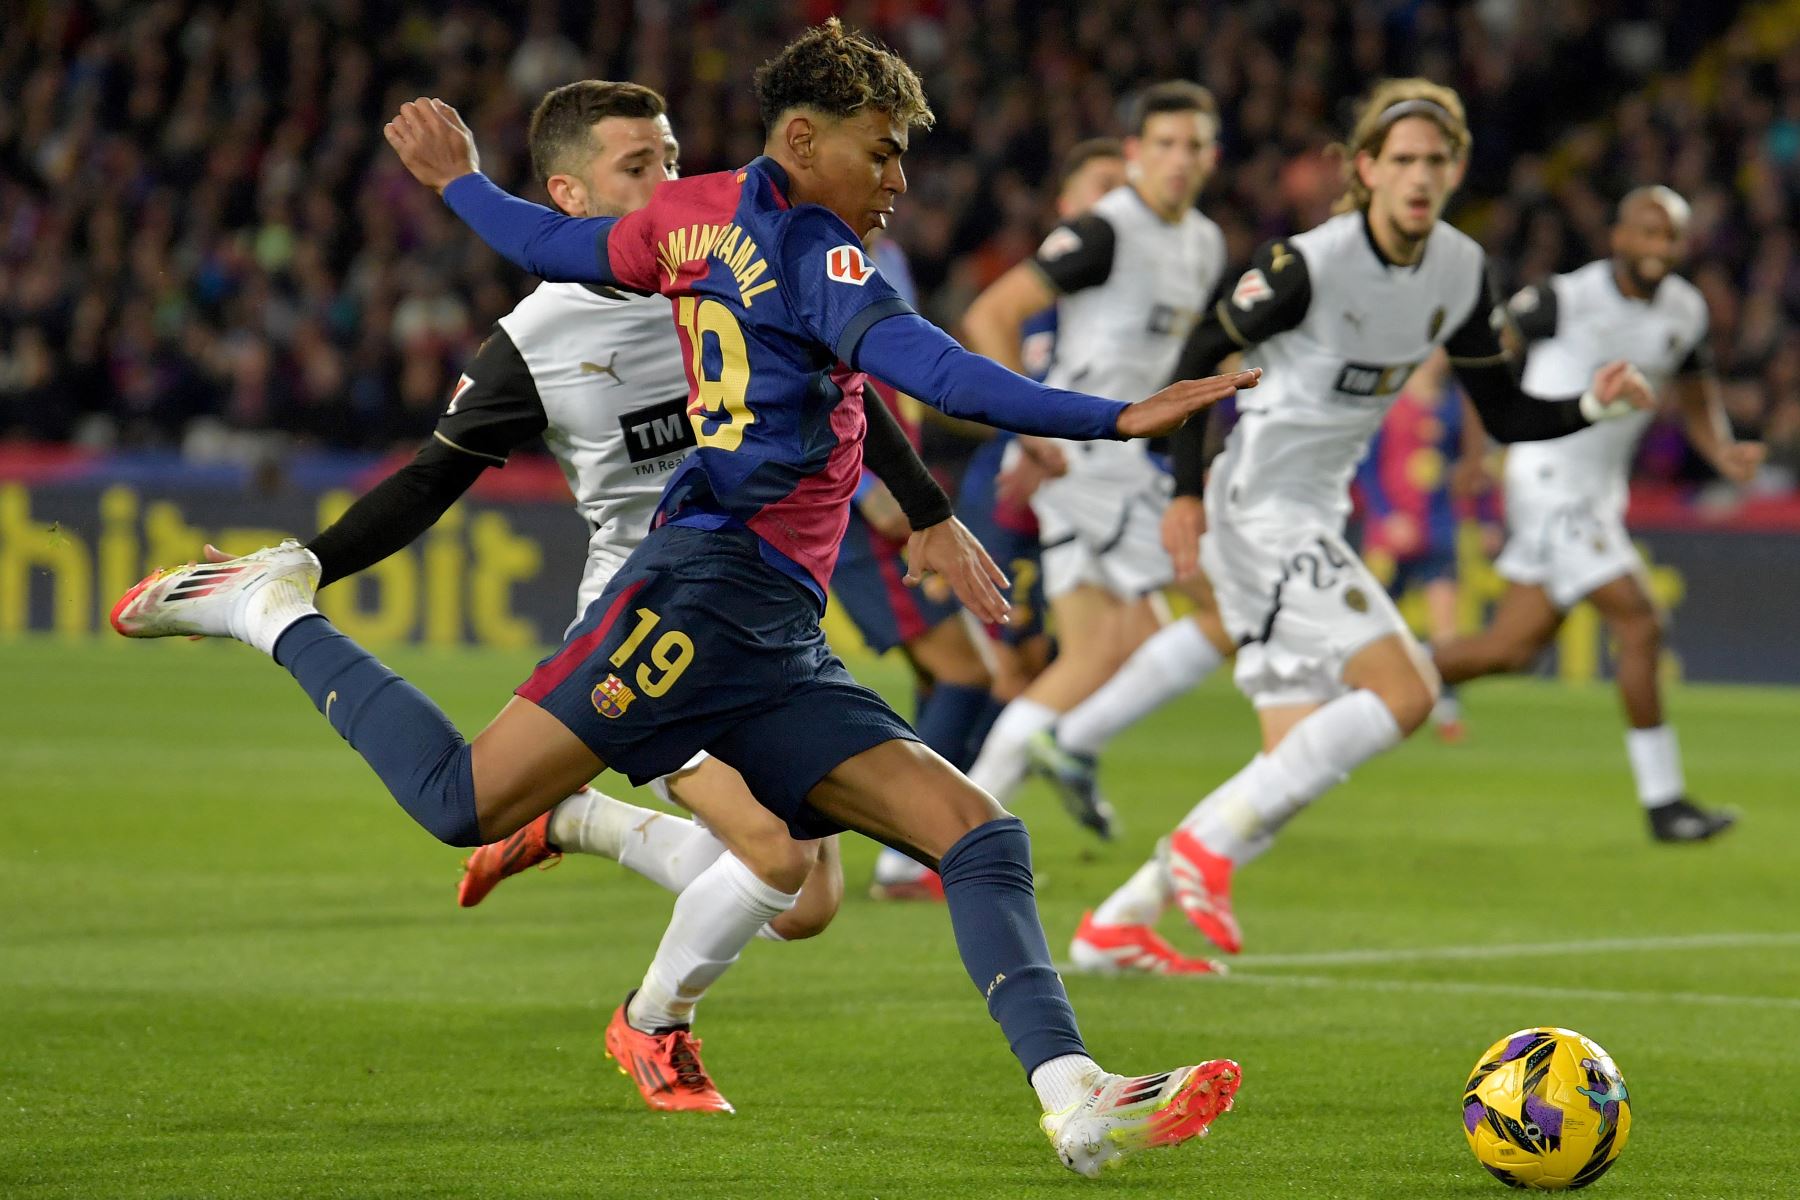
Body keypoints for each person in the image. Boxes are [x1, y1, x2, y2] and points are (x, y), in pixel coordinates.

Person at [114, 22, 1255, 1176]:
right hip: (693, 596)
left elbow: (557, 242)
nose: (900, 180)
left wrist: (460, 183)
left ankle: (1073, 1094)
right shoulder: (816, 255)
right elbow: (939, 372)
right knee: (465, 803)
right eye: (883, 150)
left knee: (972, 833)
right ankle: (268, 609)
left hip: (771, 625)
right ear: (804, 141)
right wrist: (1114, 415)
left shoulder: (691, 215)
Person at [1075, 78, 1655, 973]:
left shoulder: (1460, 270)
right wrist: (1184, 491)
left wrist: (1591, 401)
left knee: (1286, 773)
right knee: (1410, 689)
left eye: (1437, 161)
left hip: (1312, 512)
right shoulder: (1310, 262)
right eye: (1404, 161)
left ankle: (1116, 923)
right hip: (1259, 507)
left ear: (1456, 169)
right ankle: (1198, 852)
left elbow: (1501, 411)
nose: (1420, 177)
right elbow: (1198, 356)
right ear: (1367, 169)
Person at [1433, 185, 1762, 841]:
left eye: (1668, 236)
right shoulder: (1566, 297)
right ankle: (1664, 804)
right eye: (1645, 232)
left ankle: (1377, 666)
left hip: (1598, 492)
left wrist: (1720, 448)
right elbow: (1483, 360)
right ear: (1617, 236)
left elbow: (1697, 393)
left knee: (1512, 649)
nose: (1656, 247)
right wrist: (1477, 452)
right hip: (1546, 476)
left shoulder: (1685, 310)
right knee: (1639, 620)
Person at [960, 83, 1234, 842]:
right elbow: (991, 313)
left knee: (1098, 653)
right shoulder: (1108, 230)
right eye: (1165, 145)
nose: (1179, 161)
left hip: (1125, 464)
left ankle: (941, 843)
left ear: (1212, 158)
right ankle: (1075, 744)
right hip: (1091, 459)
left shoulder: (1205, 242)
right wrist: (1023, 421)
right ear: (1138, 153)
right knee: (1232, 605)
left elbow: (1191, 369)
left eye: (1194, 147)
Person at [1354, 348, 1484, 742]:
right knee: (1371, 623)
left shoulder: (1454, 406)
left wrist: (1485, 515)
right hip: (1389, 534)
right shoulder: (1388, 401)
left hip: (1438, 527)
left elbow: (1472, 466)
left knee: (1445, 627)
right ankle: (1357, 696)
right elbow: (1366, 467)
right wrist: (1386, 514)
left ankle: (1446, 710)